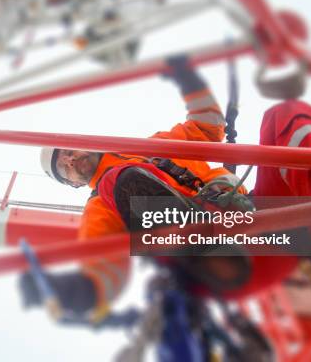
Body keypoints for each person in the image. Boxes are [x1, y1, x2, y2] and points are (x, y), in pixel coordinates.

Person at [20, 56, 260, 322]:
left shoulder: (150, 147)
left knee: (283, 118)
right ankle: (191, 238)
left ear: (83, 143)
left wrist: (189, 81)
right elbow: (104, 270)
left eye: (67, 151)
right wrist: (68, 291)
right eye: (65, 168)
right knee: (115, 181)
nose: (70, 160)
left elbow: (208, 128)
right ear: (74, 183)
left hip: (239, 207)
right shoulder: (101, 205)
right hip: (197, 242)